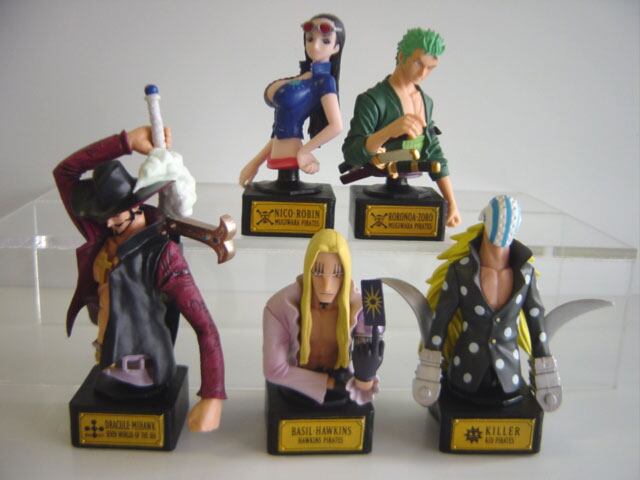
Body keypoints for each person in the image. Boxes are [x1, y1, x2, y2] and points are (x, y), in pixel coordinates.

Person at [53, 127, 226, 431]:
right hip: (107, 358)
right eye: (103, 214)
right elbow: (65, 172)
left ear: (135, 206)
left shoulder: (163, 254)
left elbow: (204, 325)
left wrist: (213, 396)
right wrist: (126, 142)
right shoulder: (102, 233)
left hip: (146, 367)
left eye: (115, 215)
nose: (108, 221)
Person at [412, 195, 561, 411]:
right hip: (465, 370)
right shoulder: (461, 270)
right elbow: (441, 320)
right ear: (485, 220)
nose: (501, 235)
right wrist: (430, 366)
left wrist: (545, 371)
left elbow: (535, 322)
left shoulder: (525, 274)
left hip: (509, 375)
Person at [342, 27, 461, 227]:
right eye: (418, 63)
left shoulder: (426, 102)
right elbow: (352, 153)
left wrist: (452, 202)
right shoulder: (373, 100)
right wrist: (388, 131)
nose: (423, 73)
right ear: (401, 56)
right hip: (383, 166)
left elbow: (434, 152)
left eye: (430, 68)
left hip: (412, 170)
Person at [262, 229, 382, 406]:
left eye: (337, 274)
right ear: (308, 270)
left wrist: (366, 374)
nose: (327, 286)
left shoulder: (365, 305)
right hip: (296, 386)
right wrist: (329, 384)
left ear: (347, 274)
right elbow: (274, 369)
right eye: (318, 273)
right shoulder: (279, 306)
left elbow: (365, 381)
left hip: (342, 380)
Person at [239, 14, 345, 187]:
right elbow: (281, 127)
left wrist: (304, 151)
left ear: (336, 48)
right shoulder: (305, 77)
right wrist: (255, 163)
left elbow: (336, 126)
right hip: (281, 153)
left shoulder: (325, 82)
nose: (315, 46)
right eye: (310, 39)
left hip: (293, 153)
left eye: (325, 41)